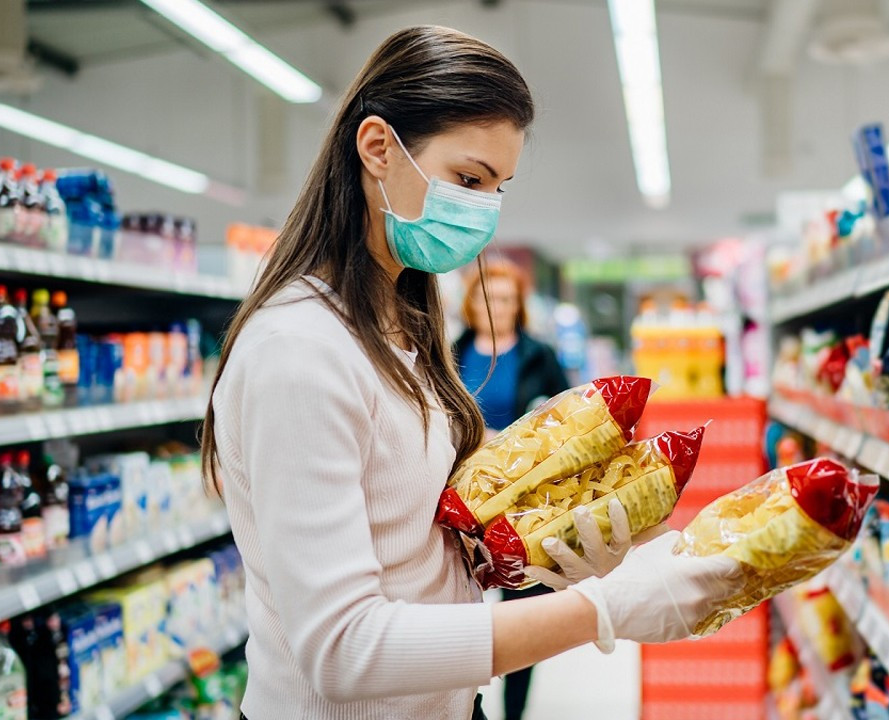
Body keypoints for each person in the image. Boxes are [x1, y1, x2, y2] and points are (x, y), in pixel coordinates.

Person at [200, 26, 741, 720]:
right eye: (468, 180)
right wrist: (600, 610)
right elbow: (340, 650)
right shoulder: (298, 349)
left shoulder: (403, 324)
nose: (484, 211)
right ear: (376, 149)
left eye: (498, 188)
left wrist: (529, 552)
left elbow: (405, 542)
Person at [453, 261, 568, 720]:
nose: (494, 306)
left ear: (518, 306)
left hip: (526, 507)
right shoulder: (451, 353)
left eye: (504, 298)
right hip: (465, 504)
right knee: (464, 608)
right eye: (486, 297)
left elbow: (569, 418)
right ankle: (466, 703)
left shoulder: (540, 356)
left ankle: (513, 712)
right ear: (471, 304)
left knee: (522, 613)